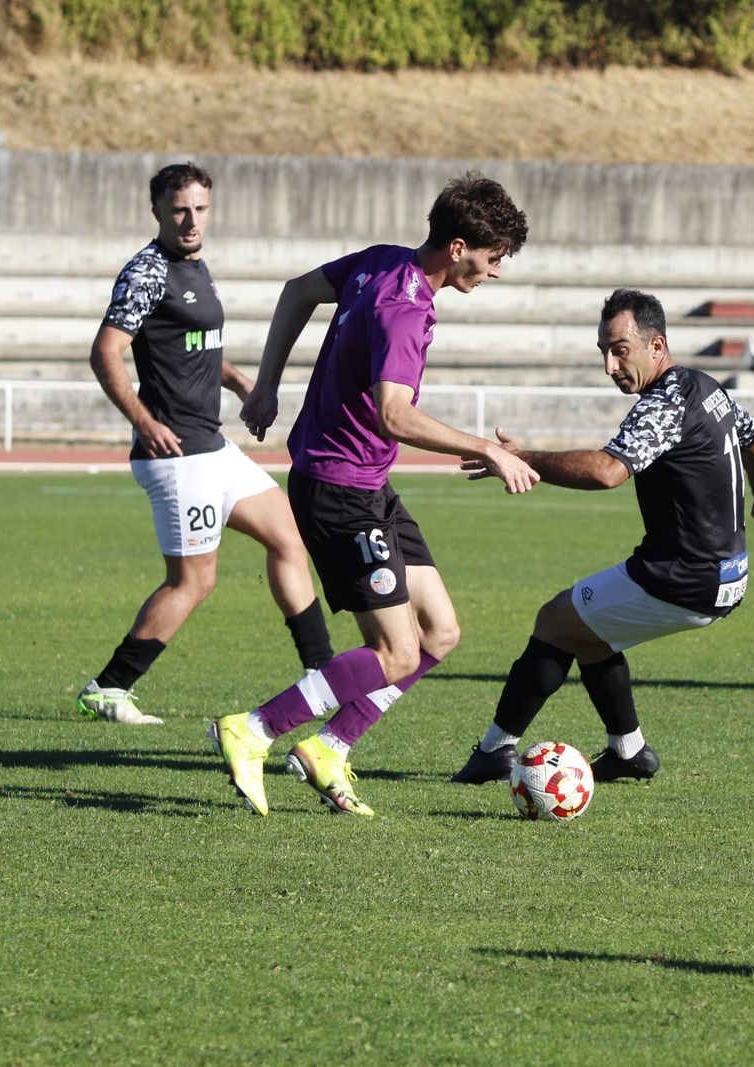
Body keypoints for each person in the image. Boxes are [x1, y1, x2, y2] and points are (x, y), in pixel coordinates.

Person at [209, 172, 536, 817]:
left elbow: (297, 291)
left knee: (440, 632)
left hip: (367, 483)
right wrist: (486, 448)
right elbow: (395, 414)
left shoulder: (385, 261)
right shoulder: (407, 311)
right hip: (340, 490)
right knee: (397, 651)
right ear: (459, 246)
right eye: (493, 258)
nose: (496, 272)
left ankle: (330, 747)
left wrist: (267, 385)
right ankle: (255, 729)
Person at [449, 288, 754, 784]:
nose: (611, 365)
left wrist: (521, 458)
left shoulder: (664, 403)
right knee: (590, 630)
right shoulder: (704, 386)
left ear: (656, 346)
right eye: (604, 352)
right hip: (727, 575)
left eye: (620, 350)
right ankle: (628, 752)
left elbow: (608, 471)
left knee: (555, 620)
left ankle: (494, 750)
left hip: (683, 576)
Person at [75, 162, 335, 726]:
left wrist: (246, 386)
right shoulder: (146, 272)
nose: (191, 220)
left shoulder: (197, 267)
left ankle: (322, 671)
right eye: (179, 210)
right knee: (195, 580)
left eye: (200, 209)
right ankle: (109, 687)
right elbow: (105, 351)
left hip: (212, 447)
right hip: (176, 458)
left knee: (289, 537)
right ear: (158, 212)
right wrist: (144, 422)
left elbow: (198, 347)